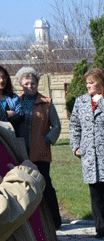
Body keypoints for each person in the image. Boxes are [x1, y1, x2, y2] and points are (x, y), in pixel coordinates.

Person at [69, 67, 104, 239]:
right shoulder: (80, 101)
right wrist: (75, 146)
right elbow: (74, 125)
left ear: (102, 82)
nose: (88, 86)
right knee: (96, 194)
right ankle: (100, 229)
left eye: (92, 83)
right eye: (87, 83)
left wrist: (101, 101)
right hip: (89, 155)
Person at [15, 66, 62, 229]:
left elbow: (56, 125)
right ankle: (29, 223)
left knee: (45, 185)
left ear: (37, 84)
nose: (30, 86)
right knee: (22, 187)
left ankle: (55, 221)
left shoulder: (46, 102)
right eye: (26, 83)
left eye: (33, 83)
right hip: (20, 152)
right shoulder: (14, 102)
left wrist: (46, 139)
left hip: (40, 152)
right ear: (20, 84)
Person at [0, 65, 24, 134]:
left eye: (4, 77)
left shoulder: (14, 98)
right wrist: (6, 114)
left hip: (11, 138)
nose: (1, 80)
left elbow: (20, 116)